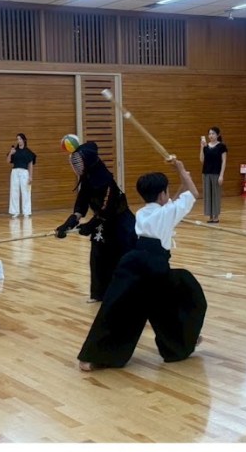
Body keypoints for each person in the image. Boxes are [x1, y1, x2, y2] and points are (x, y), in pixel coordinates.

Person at [77, 159, 206, 371]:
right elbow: (193, 193)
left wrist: (181, 182)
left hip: (131, 261)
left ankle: (93, 356)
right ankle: (183, 340)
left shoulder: (143, 212)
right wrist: (181, 170)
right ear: (162, 194)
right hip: (154, 266)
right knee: (187, 293)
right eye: (166, 192)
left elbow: (171, 204)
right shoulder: (166, 213)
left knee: (117, 306)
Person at [54, 140, 137, 302]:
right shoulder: (87, 178)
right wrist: (70, 223)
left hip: (120, 224)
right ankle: (99, 294)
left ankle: (125, 293)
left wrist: (90, 226)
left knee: (121, 257)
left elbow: (107, 209)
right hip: (102, 223)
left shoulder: (106, 181)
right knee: (98, 256)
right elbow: (81, 203)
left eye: (78, 162)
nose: (75, 166)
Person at [200, 127, 227, 222]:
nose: (211, 135)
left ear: (218, 135)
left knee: (216, 195)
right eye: (210, 134)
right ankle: (210, 216)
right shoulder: (206, 147)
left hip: (216, 173)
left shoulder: (221, 146)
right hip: (206, 173)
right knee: (208, 195)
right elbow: (202, 160)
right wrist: (202, 147)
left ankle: (216, 216)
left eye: (213, 133)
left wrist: (221, 175)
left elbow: (224, 161)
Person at [7, 133, 36, 217]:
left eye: (20, 139)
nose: (19, 141)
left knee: (26, 192)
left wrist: (30, 176)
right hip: (15, 172)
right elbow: (8, 161)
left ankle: (26, 212)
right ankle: (15, 211)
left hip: (24, 172)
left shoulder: (28, 152)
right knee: (14, 191)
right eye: (17, 139)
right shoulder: (14, 151)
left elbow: (30, 165)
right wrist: (10, 153)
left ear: (24, 140)